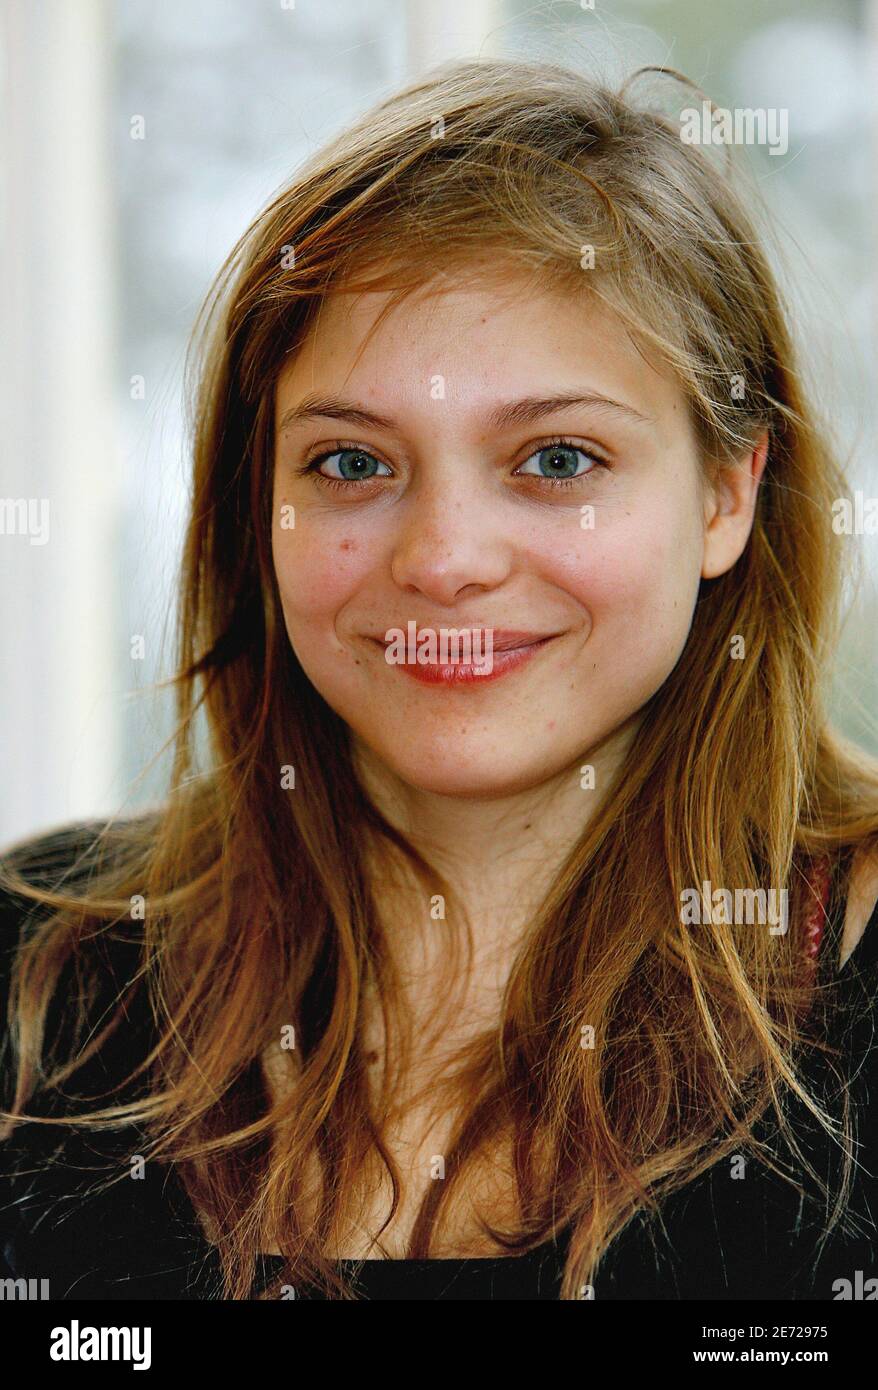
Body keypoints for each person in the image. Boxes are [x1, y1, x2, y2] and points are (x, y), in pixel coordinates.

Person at [2, 56, 878, 1302]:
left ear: (725, 495)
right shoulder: (38, 967)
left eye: (555, 458)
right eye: (352, 463)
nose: (442, 560)